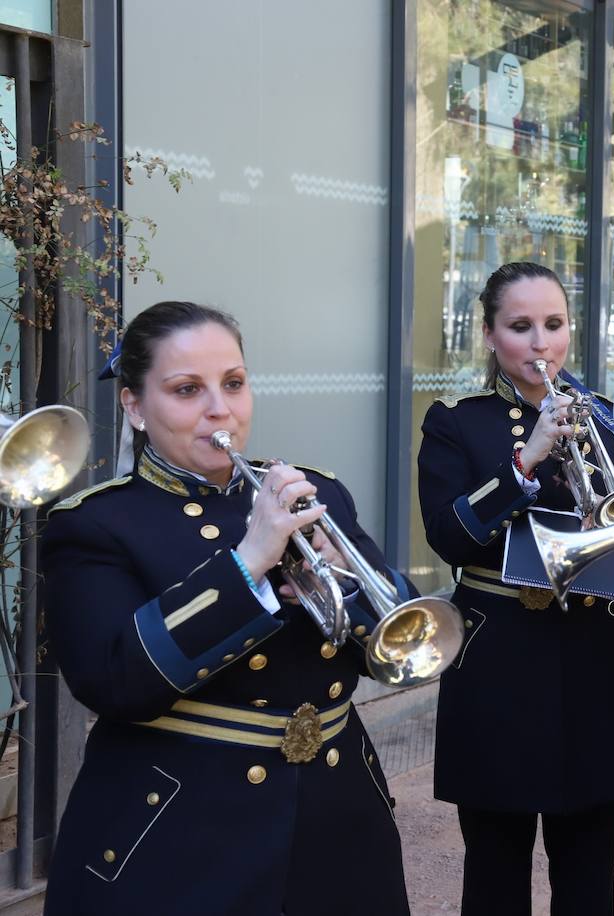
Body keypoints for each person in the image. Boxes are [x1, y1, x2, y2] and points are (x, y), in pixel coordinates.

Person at [41, 301, 412, 916]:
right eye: (188, 390)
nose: (221, 409)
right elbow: (114, 681)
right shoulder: (97, 524)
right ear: (134, 405)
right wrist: (247, 567)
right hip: (181, 831)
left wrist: (345, 578)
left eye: (234, 384)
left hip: (338, 812)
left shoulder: (310, 492)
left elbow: (394, 646)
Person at [417, 262, 614, 916]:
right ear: (489, 335)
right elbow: (449, 538)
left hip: (591, 655)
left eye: (554, 324)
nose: (542, 343)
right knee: (494, 870)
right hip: (497, 661)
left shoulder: (605, 417)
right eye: (521, 327)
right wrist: (525, 461)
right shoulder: (456, 422)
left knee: (588, 873)